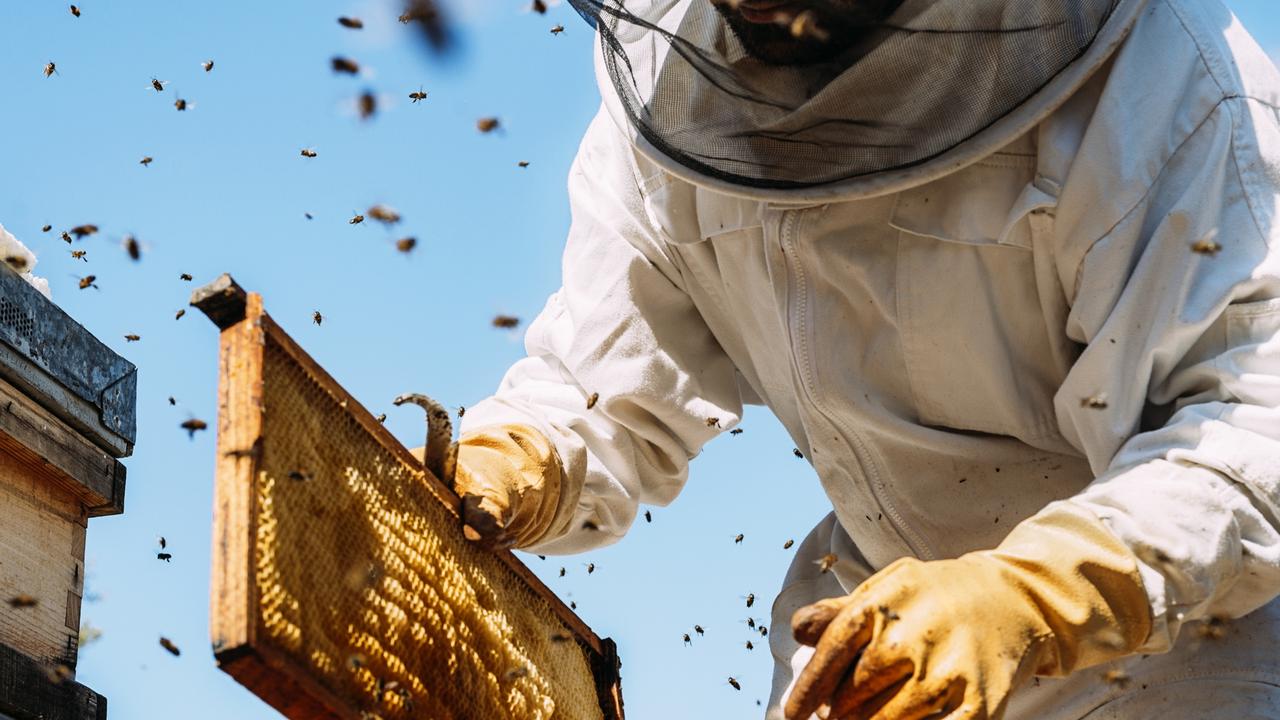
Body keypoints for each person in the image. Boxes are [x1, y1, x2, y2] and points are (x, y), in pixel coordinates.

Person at [450, 0, 1280, 716]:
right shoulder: (675, 80)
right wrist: (525, 461)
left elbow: (1250, 421)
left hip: (1177, 649)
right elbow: (606, 389)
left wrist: (1035, 595)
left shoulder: (1168, 83)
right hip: (866, 633)